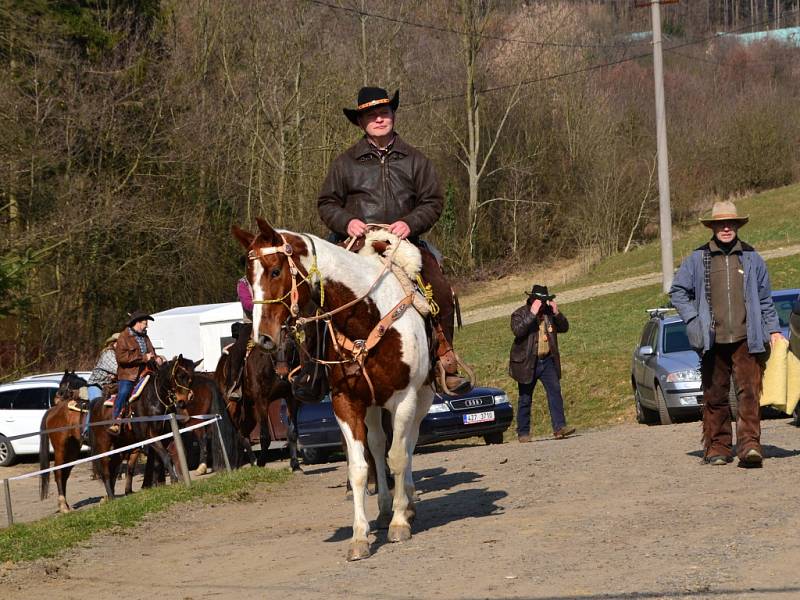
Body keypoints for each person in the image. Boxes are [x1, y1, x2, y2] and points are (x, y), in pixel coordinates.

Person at [317, 86, 469, 393]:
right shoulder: (344, 163)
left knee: (440, 288)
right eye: (371, 115)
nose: (379, 119)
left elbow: (433, 202)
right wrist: (348, 222)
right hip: (358, 245)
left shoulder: (416, 160)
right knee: (319, 295)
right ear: (360, 122)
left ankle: (445, 361)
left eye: (384, 112)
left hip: (403, 243)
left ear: (393, 116)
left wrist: (408, 223)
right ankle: (315, 370)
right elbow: (326, 204)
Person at [669, 200, 783, 467]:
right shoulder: (697, 258)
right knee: (715, 396)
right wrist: (694, 319)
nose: (726, 228)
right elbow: (678, 292)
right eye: (721, 224)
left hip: (747, 338)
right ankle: (718, 446)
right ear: (713, 227)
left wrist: (773, 329)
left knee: (750, 393)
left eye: (730, 223)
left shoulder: (752, 257)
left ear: (737, 226)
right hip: (712, 339)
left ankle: (750, 446)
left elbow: (765, 299)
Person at [509, 284, 575, 442]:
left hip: (547, 360)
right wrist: (531, 314)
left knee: (555, 392)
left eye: (545, 301)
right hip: (527, 362)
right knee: (525, 398)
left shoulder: (548, 313)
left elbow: (565, 327)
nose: (543, 304)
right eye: (541, 301)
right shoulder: (519, 313)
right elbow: (518, 331)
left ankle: (559, 428)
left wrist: (557, 313)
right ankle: (523, 433)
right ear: (532, 299)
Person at [110, 311, 164, 434]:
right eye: (145, 323)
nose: (147, 326)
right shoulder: (123, 337)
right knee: (123, 392)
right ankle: (116, 421)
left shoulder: (145, 337)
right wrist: (144, 357)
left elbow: (152, 352)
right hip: (129, 374)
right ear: (137, 323)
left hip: (147, 371)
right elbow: (122, 358)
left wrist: (157, 358)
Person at [80, 332, 119, 436]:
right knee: (96, 404)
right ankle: (87, 431)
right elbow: (117, 369)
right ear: (114, 343)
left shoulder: (119, 354)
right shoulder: (108, 354)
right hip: (96, 385)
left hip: (110, 386)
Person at [225, 262, 254, 397]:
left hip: (272, 321)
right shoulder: (243, 283)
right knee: (239, 348)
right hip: (252, 323)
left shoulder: (270, 278)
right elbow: (247, 304)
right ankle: (235, 384)